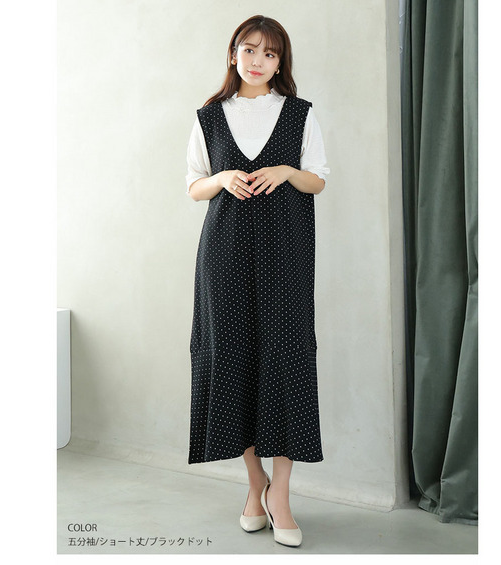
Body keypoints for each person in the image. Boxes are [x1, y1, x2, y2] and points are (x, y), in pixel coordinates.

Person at [185, 14, 329, 548]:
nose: (258, 60)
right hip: (223, 257)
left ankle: (281, 493)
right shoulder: (208, 117)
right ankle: (255, 484)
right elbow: (193, 186)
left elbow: (317, 180)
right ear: (233, 54)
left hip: (286, 257)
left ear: (279, 61)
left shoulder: (299, 114)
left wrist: (287, 172)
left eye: (270, 53)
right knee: (232, 361)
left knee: (288, 362)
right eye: (249, 49)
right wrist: (221, 178)